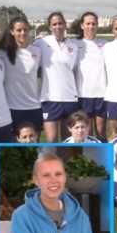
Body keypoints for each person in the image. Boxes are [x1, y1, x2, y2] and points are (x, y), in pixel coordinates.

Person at [10, 153, 93, 233]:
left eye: (58, 174)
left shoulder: (81, 217)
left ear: (65, 177)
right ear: (36, 180)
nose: (53, 180)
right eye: (46, 175)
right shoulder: (22, 216)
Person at [34, 12, 80, 143]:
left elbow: (75, 70)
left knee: (69, 141)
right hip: (50, 99)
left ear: (65, 25)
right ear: (50, 27)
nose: (58, 26)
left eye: (60, 23)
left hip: (70, 99)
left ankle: (67, 164)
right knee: (52, 140)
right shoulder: (41, 43)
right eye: (54, 24)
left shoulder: (73, 46)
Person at [0, 17, 42, 136]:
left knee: (34, 145)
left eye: (25, 30)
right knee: (15, 146)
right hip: (13, 108)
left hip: (34, 106)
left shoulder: (37, 51)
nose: (22, 33)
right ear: (12, 32)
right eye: (19, 30)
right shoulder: (2, 53)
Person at [74, 12, 107, 140]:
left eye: (93, 24)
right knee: (87, 132)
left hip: (102, 94)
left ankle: (105, 159)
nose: (91, 26)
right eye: (88, 24)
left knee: (101, 131)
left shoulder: (105, 44)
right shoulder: (75, 44)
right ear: (82, 26)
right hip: (83, 95)